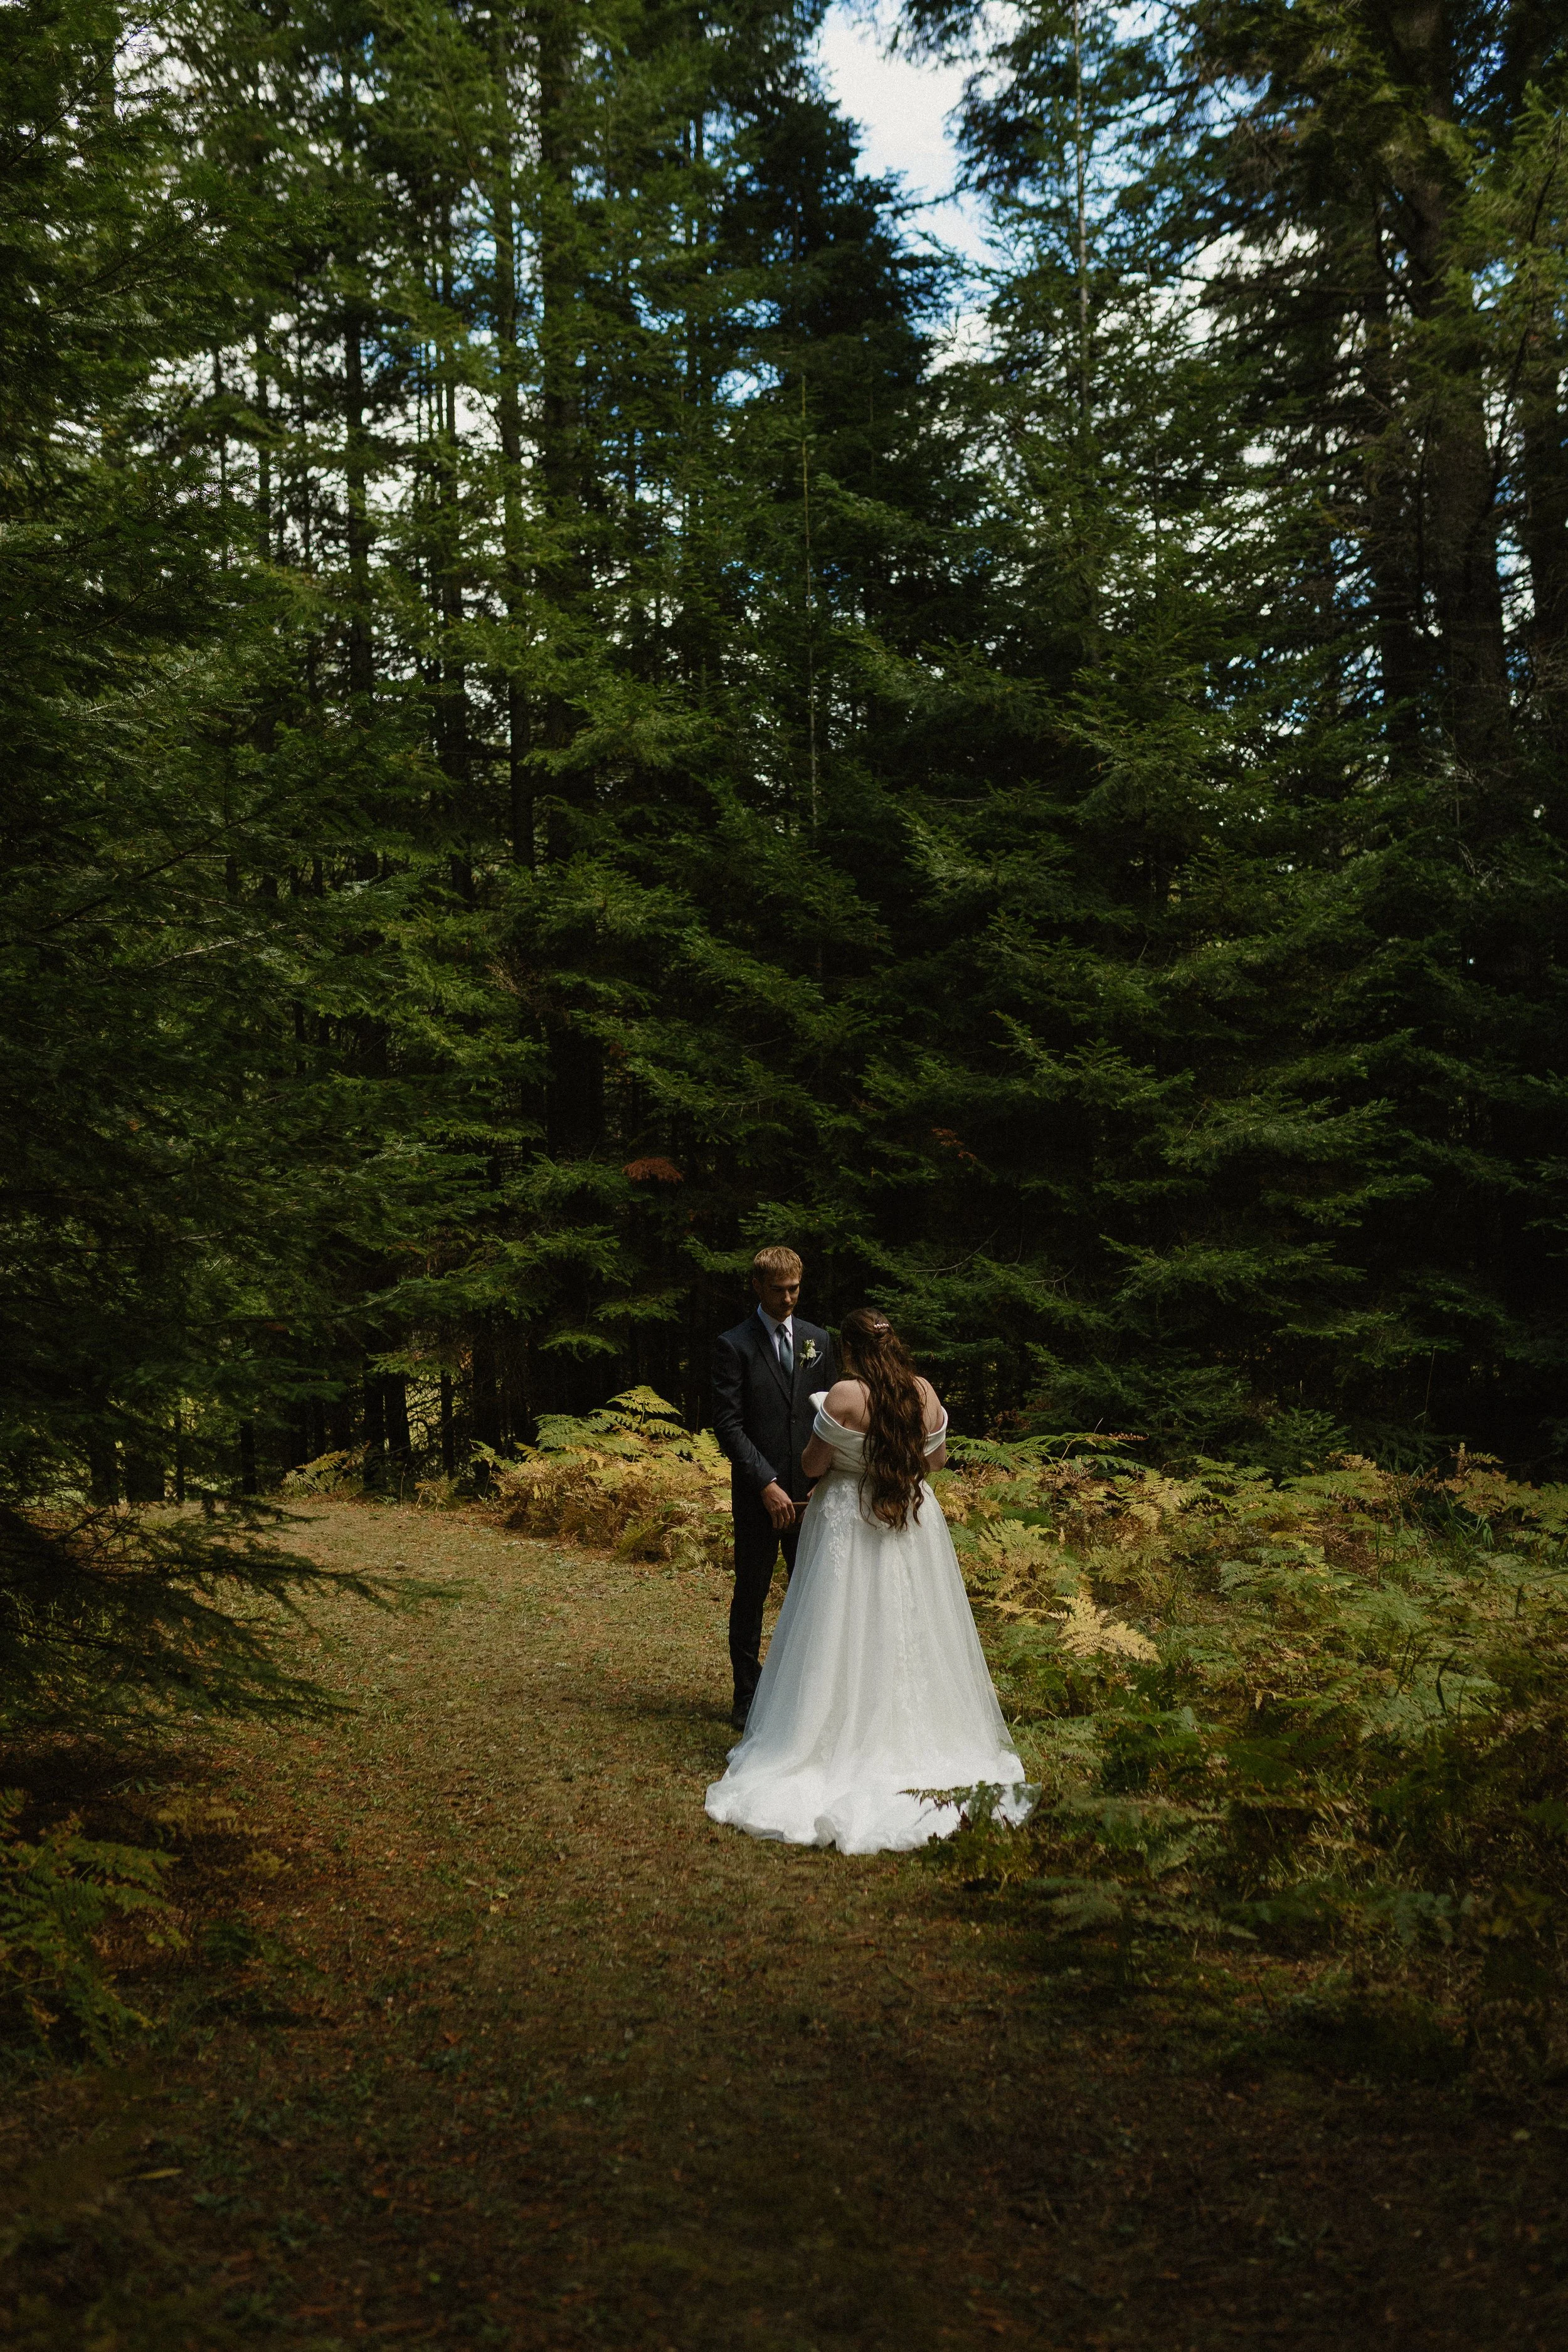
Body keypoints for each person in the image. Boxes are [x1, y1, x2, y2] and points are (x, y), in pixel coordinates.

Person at [705, 1306, 1030, 1854]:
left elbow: (811, 1465)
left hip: (851, 1522)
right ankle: (918, 1731)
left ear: (849, 1351)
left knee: (842, 1622)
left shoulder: (844, 1396)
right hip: (911, 1520)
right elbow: (938, 1462)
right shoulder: (922, 1392)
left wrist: (848, 1459)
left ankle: (830, 1728)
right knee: (911, 1623)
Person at [711, 1246, 839, 1732]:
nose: (789, 1298)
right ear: (758, 1287)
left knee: (814, 1594)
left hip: (811, 1495)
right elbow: (728, 1424)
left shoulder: (819, 1341)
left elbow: (830, 1416)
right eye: (779, 1290)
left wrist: (820, 1480)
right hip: (759, 1496)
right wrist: (765, 1483)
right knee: (752, 1593)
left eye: (795, 1289)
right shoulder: (734, 1345)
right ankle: (747, 1695)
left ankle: (808, 1695)